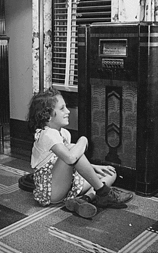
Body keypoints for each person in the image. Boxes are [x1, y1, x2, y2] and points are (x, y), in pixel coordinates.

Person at [28, 87, 133, 219]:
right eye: (62, 109)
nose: (67, 112)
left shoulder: (64, 133)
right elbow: (71, 159)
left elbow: (74, 161)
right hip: (51, 191)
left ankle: (84, 200)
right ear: (47, 115)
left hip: (66, 186)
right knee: (73, 148)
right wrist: (83, 140)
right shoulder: (47, 134)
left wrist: (95, 167)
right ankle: (103, 193)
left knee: (110, 173)